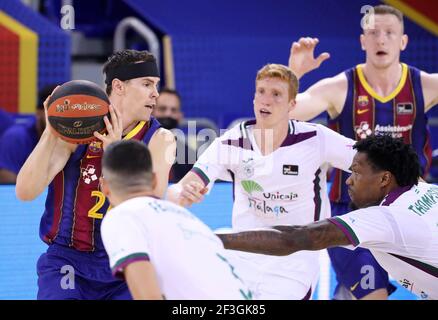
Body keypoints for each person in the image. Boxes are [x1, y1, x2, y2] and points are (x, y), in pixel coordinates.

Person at [167, 63, 357, 299]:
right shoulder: (231, 142)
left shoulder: (316, 138)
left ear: (292, 105)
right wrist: (185, 192)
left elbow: (368, 162)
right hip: (242, 253)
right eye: (261, 92)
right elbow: (181, 186)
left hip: (294, 259)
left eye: (276, 94)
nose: (266, 100)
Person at [287, 4, 438, 299]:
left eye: (390, 33)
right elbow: (287, 115)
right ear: (362, 41)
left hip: (409, 211)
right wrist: (293, 73)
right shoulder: (341, 87)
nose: (381, 39)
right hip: (352, 208)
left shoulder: (425, 85)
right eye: (373, 32)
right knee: (373, 295)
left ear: (403, 41)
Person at [15, 49, 176, 300]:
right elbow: (25, 192)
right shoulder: (76, 129)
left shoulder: (162, 140)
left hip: (126, 260)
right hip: (68, 263)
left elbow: (147, 209)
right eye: (147, 84)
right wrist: (51, 130)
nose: (155, 93)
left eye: (156, 85)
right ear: (119, 86)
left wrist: (113, 153)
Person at [217, 135, 438, 300]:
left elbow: (295, 238)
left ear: (384, 179)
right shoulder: (428, 190)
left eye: (356, 173)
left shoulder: (385, 218)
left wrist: (214, 241)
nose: (348, 181)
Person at [100, 140, 252, 300]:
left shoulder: (122, 216)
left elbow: (149, 298)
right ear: (154, 181)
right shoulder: (184, 217)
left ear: (104, 187)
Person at [0, 85, 57, 183]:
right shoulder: (16, 137)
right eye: (55, 111)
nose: (61, 119)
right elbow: (8, 182)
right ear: (39, 112)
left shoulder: (76, 140)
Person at [153, 87, 195, 182]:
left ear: (180, 116)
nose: (168, 114)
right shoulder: (139, 148)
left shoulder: (189, 156)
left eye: (173, 110)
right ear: (152, 111)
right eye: (162, 109)